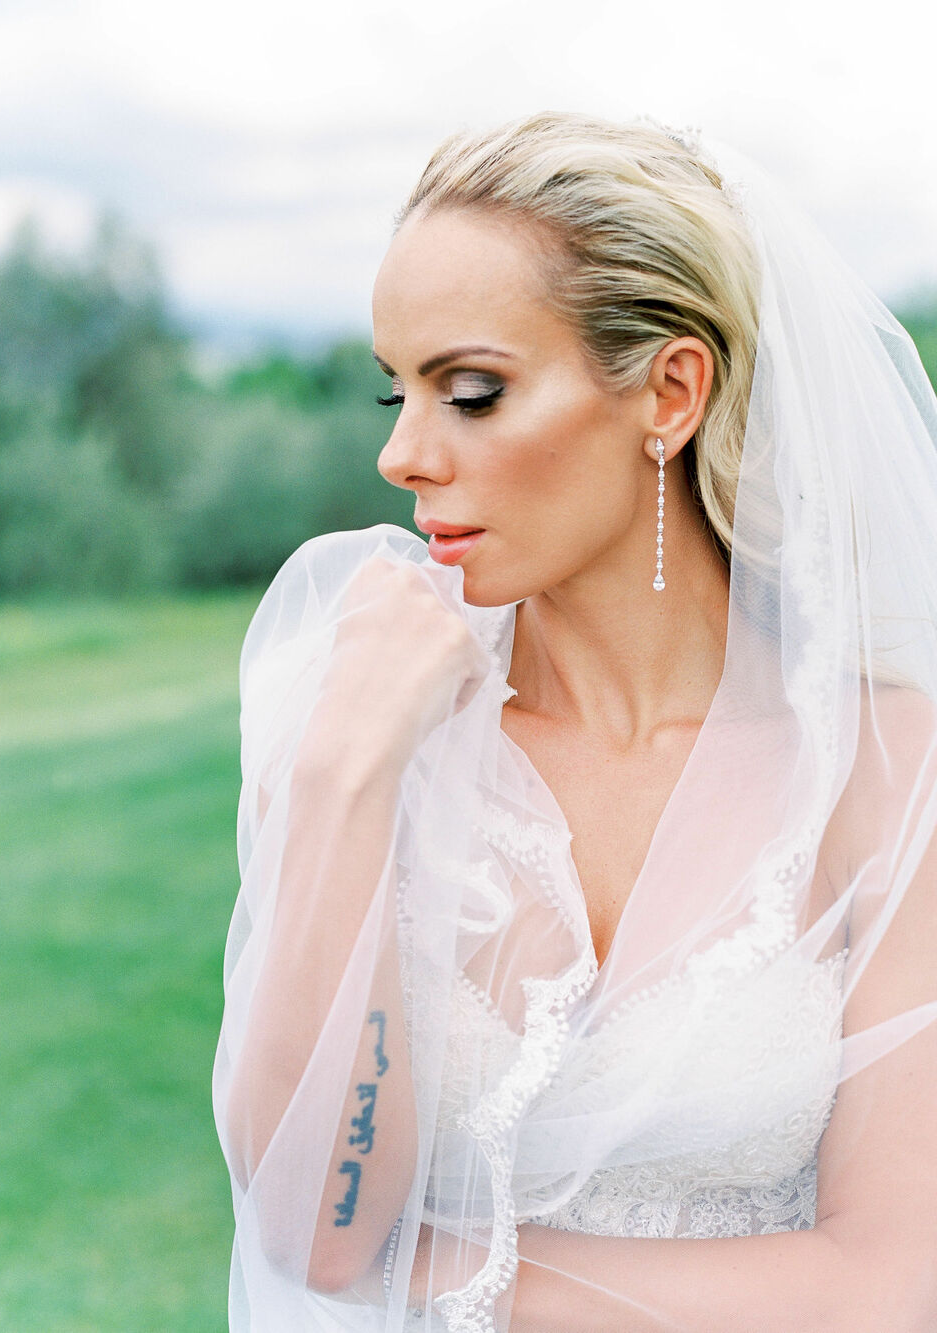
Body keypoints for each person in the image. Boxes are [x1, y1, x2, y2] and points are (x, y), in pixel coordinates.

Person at [212, 112, 937, 1331]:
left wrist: (442, 1271)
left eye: (471, 393)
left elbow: (887, 1286)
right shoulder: (351, 720)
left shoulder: (885, 768)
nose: (401, 453)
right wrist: (343, 772)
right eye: (397, 389)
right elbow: (318, 1233)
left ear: (670, 391)